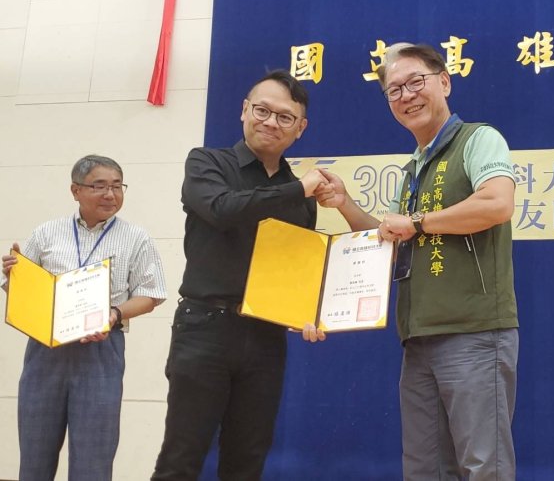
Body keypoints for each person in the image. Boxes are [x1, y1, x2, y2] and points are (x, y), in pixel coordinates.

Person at [312, 43, 519, 480]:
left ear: (444, 82)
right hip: (418, 338)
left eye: (415, 82)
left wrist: (418, 222)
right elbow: (388, 242)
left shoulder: (479, 139)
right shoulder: (412, 170)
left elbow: (497, 203)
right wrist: (345, 203)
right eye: (394, 90)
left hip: (474, 332)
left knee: (484, 466)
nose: (406, 95)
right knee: (425, 469)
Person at [151, 69, 328, 480]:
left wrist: (310, 311)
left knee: (247, 461)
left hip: (266, 336)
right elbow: (222, 209)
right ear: (244, 110)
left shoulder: (301, 193)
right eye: (262, 110)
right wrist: (297, 189)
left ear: (300, 128)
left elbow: (296, 266)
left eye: (285, 117)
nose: (271, 122)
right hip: (205, 328)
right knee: (181, 458)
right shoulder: (207, 162)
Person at [1, 154, 167, 481]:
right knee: (34, 455)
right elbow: (24, 293)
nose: (110, 194)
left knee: (94, 459)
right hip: (45, 349)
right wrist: (13, 276)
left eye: (117, 186)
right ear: (75, 190)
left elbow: (152, 293)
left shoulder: (137, 237)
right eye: (99, 186)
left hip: (101, 350)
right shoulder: (47, 233)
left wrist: (114, 314)